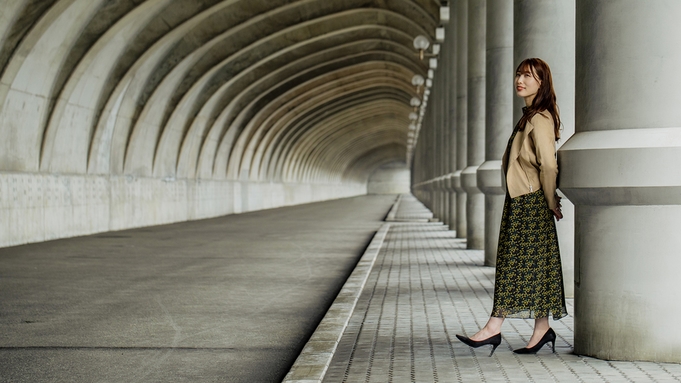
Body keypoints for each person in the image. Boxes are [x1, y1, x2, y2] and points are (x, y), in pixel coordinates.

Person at [456, 58, 567, 356]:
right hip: (520, 201)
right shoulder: (528, 116)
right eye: (518, 74)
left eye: (528, 76)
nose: (520, 79)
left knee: (512, 266)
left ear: (541, 82)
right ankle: (542, 328)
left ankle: (494, 327)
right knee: (535, 266)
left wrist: (550, 201)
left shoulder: (541, 119)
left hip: (531, 202)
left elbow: (548, 165)